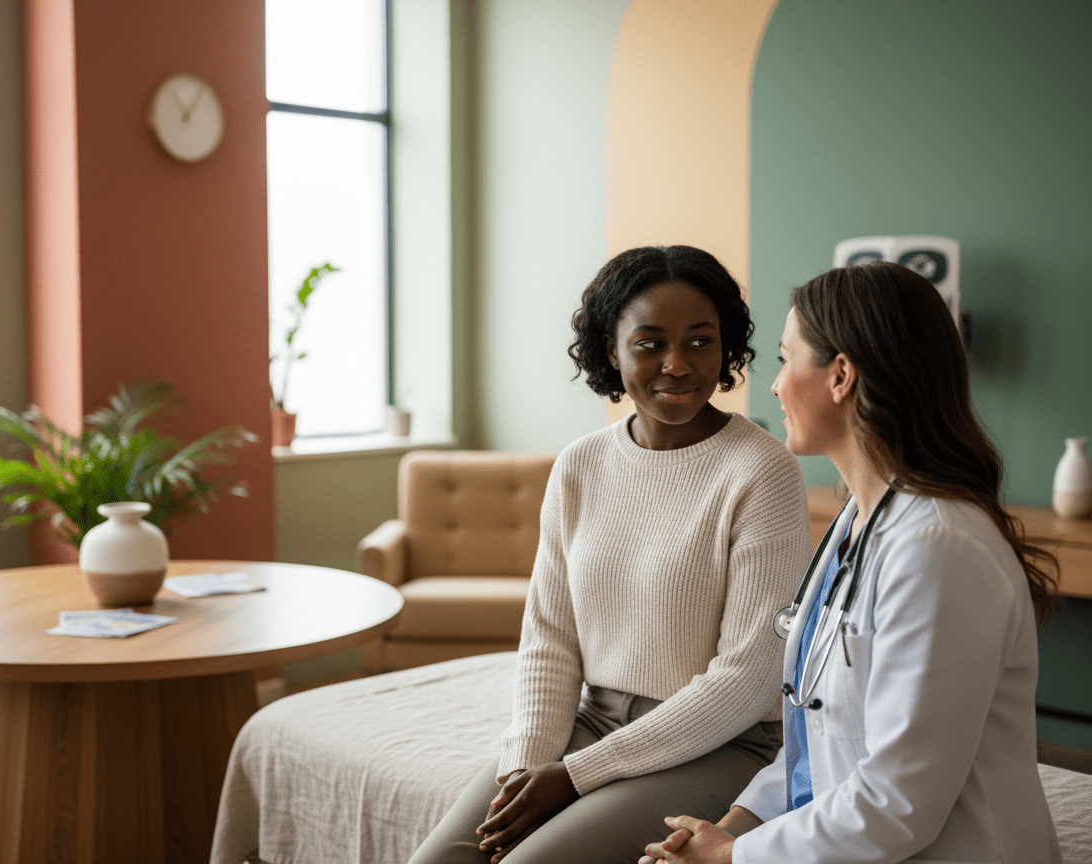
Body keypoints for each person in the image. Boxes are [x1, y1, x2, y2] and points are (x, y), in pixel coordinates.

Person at [640, 261, 1062, 864]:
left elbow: (897, 801)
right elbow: (819, 733)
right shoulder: (857, 523)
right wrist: (734, 826)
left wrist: (733, 857)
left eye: (786, 360)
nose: (775, 386)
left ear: (840, 376)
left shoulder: (936, 550)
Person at [406, 245, 811, 864]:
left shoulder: (762, 471)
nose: (677, 365)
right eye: (650, 343)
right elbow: (549, 639)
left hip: (721, 743)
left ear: (726, 347)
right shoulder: (580, 465)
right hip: (594, 722)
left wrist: (573, 777)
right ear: (610, 349)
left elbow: (748, 678)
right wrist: (528, 768)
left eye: (700, 342)